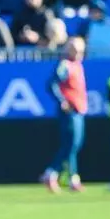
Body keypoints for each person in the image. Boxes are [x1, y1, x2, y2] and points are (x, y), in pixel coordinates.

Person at [40, 37, 87, 193]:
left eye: (81, 50)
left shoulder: (77, 65)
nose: (79, 53)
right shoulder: (65, 65)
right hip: (69, 110)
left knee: (74, 145)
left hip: (79, 109)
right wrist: (62, 101)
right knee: (70, 144)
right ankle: (51, 172)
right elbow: (51, 83)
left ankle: (73, 178)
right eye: (75, 50)